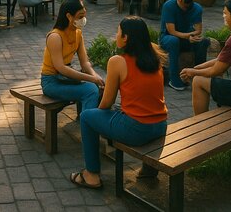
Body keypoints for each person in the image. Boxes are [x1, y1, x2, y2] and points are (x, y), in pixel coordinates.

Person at [71, 17, 168, 189]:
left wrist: (98, 118)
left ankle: (91, 175)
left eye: (118, 32)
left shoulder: (117, 61)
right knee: (118, 110)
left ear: (126, 37)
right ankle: (149, 170)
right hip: (160, 126)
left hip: (137, 131)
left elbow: (107, 102)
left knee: (86, 117)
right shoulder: (155, 58)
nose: (116, 35)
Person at [40, 0, 103, 120]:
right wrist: (91, 79)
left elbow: (85, 62)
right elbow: (61, 68)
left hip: (65, 78)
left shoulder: (78, 34)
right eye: (80, 16)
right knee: (90, 90)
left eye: (84, 15)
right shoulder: (55, 37)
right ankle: (88, 125)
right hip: (51, 82)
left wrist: (95, 76)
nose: (83, 19)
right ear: (69, 16)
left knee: (99, 86)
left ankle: (85, 119)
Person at [159, 0, 210, 91]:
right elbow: (171, 31)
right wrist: (188, 36)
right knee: (174, 41)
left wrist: (191, 37)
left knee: (204, 41)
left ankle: (199, 75)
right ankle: (174, 80)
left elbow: (198, 30)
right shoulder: (169, 6)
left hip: (187, 38)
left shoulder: (197, 8)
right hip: (168, 38)